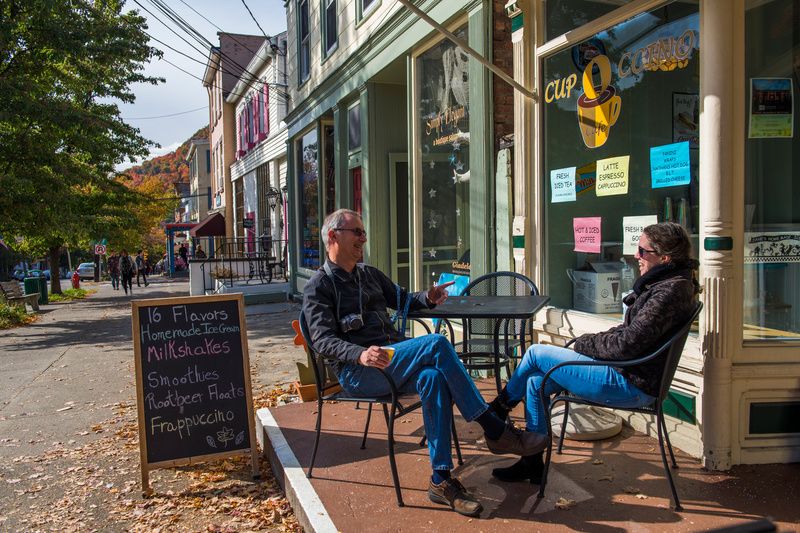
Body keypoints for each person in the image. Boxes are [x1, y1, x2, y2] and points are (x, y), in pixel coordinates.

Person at [302, 209, 547, 517]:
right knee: (436, 343)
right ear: (333, 236)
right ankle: (493, 427)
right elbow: (322, 340)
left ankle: (441, 480)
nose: (363, 239)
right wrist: (360, 354)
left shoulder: (369, 274)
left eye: (364, 232)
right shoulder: (318, 286)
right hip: (359, 372)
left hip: (393, 359)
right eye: (357, 233)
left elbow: (404, 299)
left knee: (432, 375)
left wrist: (428, 298)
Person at [487, 222, 701, 485]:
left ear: (665, 258)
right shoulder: (670, 285)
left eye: (643, 252)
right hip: (627, 372)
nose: (636, 256)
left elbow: (626, 345)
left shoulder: (668, 292)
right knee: (534, 382)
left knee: (534, 354)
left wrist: (582, 344)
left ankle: (496, 411)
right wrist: (590, 340)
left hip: (630, 383)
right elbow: (627, 333)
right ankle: (532, 463)